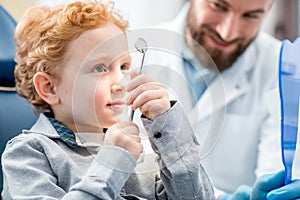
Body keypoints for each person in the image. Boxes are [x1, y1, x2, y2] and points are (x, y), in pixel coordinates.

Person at [1, 1, 215, 199]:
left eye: (123, 66)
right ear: (49, 88)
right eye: (100, 68)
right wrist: (112, 162)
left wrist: (169, 132)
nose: (122, 82)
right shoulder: (27, 156)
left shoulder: (140, 153)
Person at [132, 0, 284, 198]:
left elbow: (278, 174)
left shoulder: (284, 69)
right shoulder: (134, 55)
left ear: (268, 9)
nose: (227, 33)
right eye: (219, 6)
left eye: (250, 16)